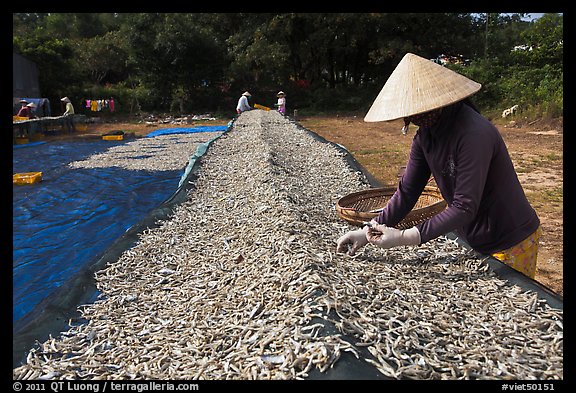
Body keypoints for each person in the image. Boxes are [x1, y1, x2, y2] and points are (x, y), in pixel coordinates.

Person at [336, 52, 541, 279]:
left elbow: (464, 206)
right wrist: (367, 231)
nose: (413, 118)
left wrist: (406, 237)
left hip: (509, 239)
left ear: (437, 101)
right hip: (474, 236)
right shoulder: (426, 137)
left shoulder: (473, 134)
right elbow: (407, 192)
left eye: (418, 111)